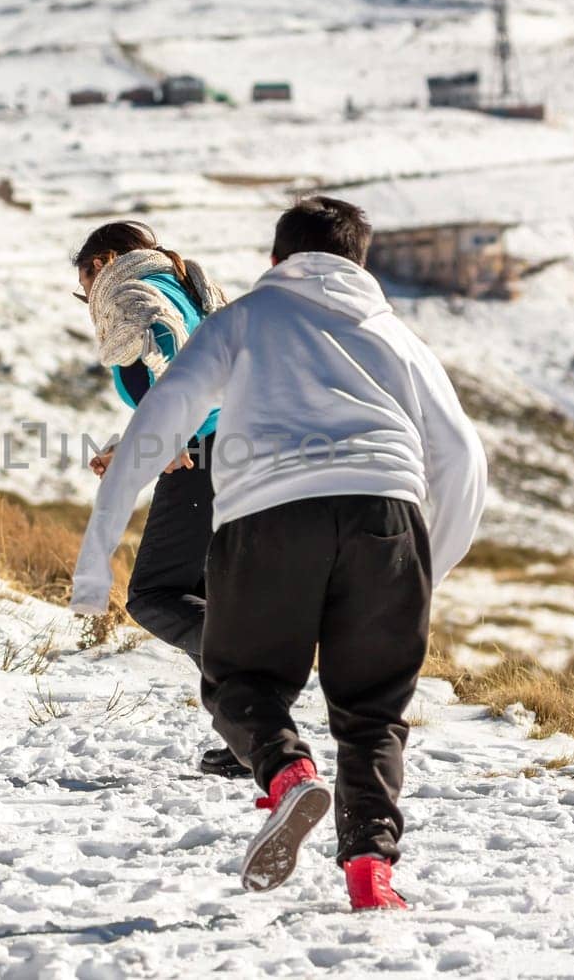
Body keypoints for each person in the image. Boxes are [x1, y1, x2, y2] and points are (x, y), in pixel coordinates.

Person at [70, 197, 487, 910]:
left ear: (275, 261)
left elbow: (161, 420)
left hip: (267, 516)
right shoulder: (398, 337)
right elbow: (461, 459)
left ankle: (287, 771)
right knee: (372, 712)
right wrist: (422, 572)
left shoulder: (243, 320)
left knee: (242, 679)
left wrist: (94, 562)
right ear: (360, 261)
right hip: (385, 517)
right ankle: (369, 875)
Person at [71, 220, 246, 779]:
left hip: (203, 449)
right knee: (196, 594)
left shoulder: (128, 290)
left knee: (154, 595)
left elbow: (170, 362)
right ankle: (250, 739)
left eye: (83, 286)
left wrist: (168, 434)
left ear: (103, 261)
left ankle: (257, 659)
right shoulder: (187, 286)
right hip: (237, 442)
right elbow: (191, 374)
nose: (88, 302)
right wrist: (133, 446)